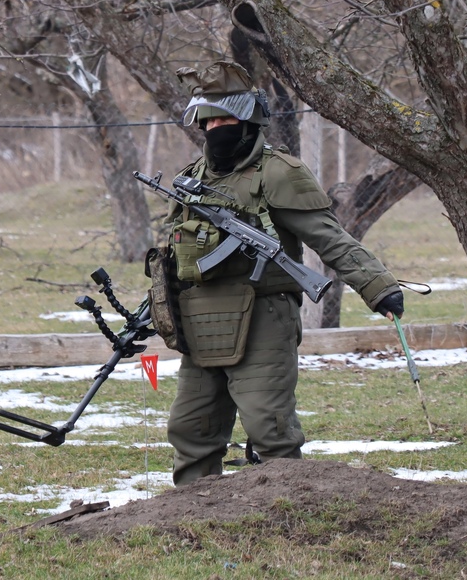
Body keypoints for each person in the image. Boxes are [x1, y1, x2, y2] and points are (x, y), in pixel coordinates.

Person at [160, 61, 404, 487]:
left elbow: (330, 238)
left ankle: (288, 516)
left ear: (249, 120)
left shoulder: (278, 173)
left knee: (269, 428)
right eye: (209, 120)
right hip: (199, 323)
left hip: (262, 318)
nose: (216, 128)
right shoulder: (189, 179)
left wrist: (378, 287)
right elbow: (174, 256)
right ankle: (192, 516)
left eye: (227, 119)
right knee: (190, 429)